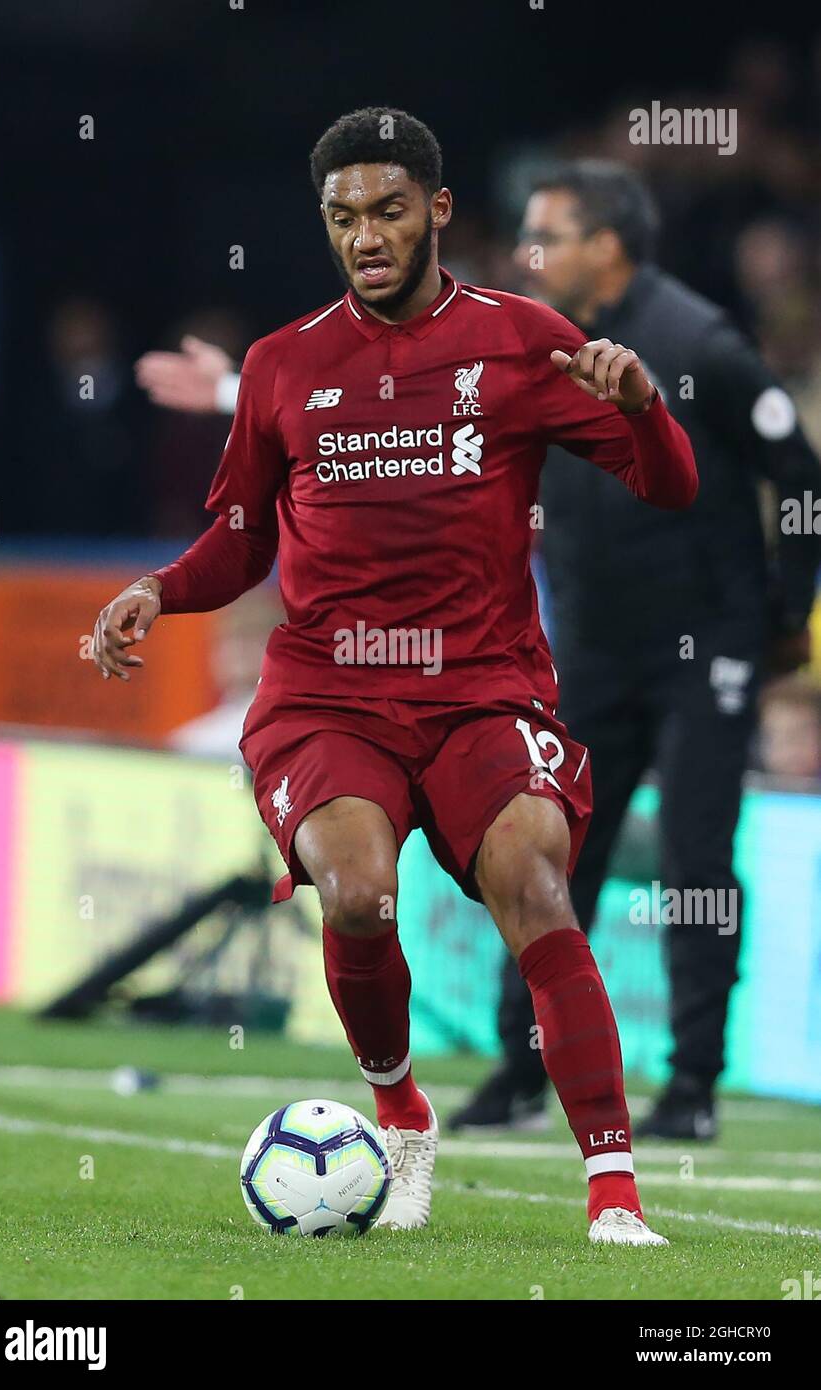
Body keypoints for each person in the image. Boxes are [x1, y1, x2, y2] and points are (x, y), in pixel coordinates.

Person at [91, 109, 698, 1244]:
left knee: (536, 887)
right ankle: (398, 1112)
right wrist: (159, 590)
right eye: (340, 218)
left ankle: (612, 1192)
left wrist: (643, 409)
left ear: (436, 211)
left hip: (482, 689)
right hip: (327, 695)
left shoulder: (522, 341)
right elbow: (240, 536)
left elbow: (667, 486)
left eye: (385, 210)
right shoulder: (282, 365)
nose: (364, 236)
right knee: (360, 894)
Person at [449, 160, 821, 1141]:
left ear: (604, 246)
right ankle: (519, 1070)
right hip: (592, 653)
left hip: (705, 650)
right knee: (544, 855)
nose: (526, 254)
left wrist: (786, 614)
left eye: (546, 234)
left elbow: (798, 471)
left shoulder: (695, 340)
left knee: (694, 860)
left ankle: (690, 1087)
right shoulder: (530, 348)